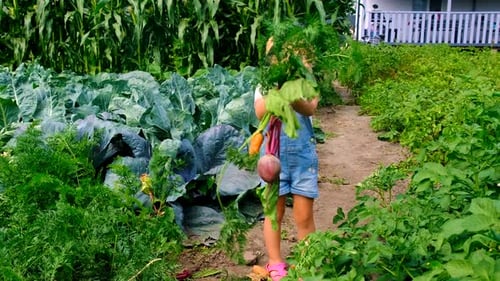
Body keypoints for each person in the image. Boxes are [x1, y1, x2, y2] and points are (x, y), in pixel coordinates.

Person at [253, 37, 319, 281]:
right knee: (273, 213)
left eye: (297, 58)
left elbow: (310, 109)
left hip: (303, 159)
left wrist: (293, 94)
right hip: (272, 157)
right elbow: (260, 111)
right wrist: (277, 92)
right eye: (277, 57)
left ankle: (306, 263)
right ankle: (275, 261)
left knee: (304, 216)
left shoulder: (308, 84)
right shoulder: (265, 84)